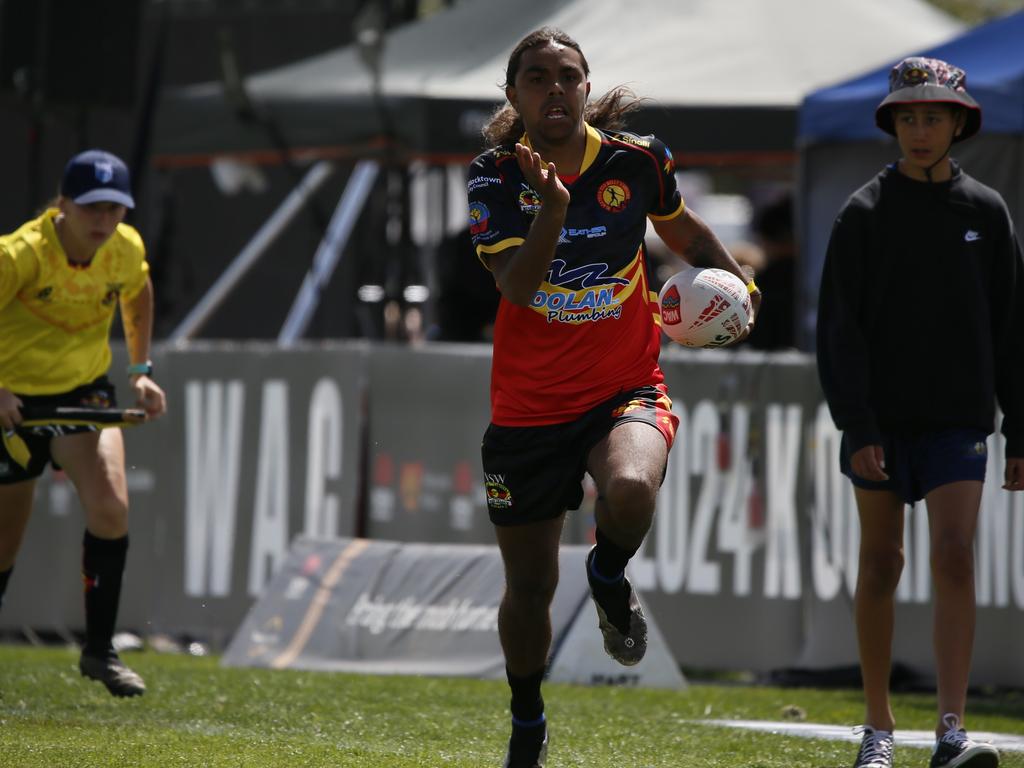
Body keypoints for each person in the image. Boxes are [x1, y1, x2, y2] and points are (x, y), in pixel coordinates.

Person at [467, 27, 760, 767]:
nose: (554, 89)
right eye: (536, 78)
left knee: (631, 487)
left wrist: (740, 289)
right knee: (529, 588)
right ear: (514, 96)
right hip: (528, 407)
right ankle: (527, 723)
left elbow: (683, 230)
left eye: (568, 76)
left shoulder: (637, 161)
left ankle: (607, 574)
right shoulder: (494, 177)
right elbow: (520, 288)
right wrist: (553, 211)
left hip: (624, 386)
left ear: (587, 87)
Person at [817, 57, 1023, 768]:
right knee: (881, 561)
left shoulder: (987, 212)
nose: (921, 129)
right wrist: (859, 426)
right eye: (908, 116)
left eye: (934, 115)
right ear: (892, 124)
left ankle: (951, 729)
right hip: (879, 423)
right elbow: (838, 332)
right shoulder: (863, 213)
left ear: (960, 122)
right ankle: (877, 728)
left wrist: (1019, 426)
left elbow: (1011, 329)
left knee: (956, 557)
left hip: (959, 421)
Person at [0, 149, 167, 697]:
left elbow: (138, 290)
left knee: (111, 508)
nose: (104, 220)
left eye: (115, 208)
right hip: (15, 401)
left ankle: (100, 652)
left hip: (80, 394)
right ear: (63, 205)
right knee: (3, 545)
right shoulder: (20, 254)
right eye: (92, 207)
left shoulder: (124, 250)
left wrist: (140, 372)